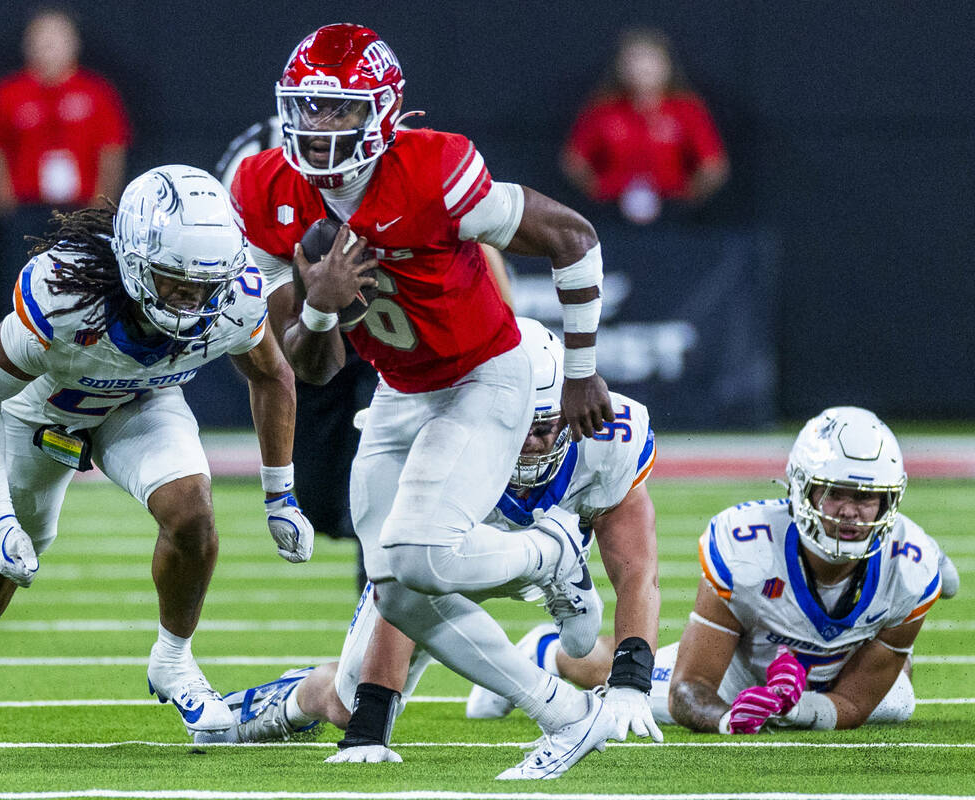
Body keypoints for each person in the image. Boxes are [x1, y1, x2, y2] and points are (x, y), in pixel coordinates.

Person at [232, 24, 619, 780]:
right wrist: (319, 306)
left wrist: (581, 371)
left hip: (483, 376)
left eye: (339, 112)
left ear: (381, 112)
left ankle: (552, 552)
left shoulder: (433, 167)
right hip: (400, 389)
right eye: (307, 108)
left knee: (417, 552)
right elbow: (309, 369)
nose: (318, 128)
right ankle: (566, 714)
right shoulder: (263, 187)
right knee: (396, 588)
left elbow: (573, 236)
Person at [0, 165, 314, 756]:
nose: (193, 299)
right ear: (136, 261)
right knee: (17, 547)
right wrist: (0, 514)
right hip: (46, 407)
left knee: (193, 514)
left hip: (141, 398)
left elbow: (273, 375)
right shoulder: (66, 294)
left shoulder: (235, 296)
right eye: (175, 281)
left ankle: (174, 660)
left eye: (205, 285)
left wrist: (280, 495)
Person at [218, 319, 664, 762]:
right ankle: (281, 703)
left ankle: (553, 568)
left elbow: (637, 570)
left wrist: (630, 682)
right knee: (345, 701)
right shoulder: (444, 434)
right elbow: (401, 583)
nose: (528, 444)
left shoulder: (609, 436)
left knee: (583, 644)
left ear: (571, 413)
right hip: (456, 555)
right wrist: (369, 724)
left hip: (523, 548)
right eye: (516, 427)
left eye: (543, 428)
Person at [216, 116, 514, 590]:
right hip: (307, 328)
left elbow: (476, 248)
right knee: (320, 497)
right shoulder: (256, 172)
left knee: (383, 488)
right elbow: (252, 295)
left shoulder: (400, 164)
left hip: (392, 331)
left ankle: (384, 601)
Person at [651, 407, 958, 733]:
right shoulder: (749, 547)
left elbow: (853, 704)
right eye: (834, 493)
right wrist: (730, 719)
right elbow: (689, 688)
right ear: (801, 488)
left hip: (835, 677)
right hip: (737, 675)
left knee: (897, 699)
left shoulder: (909, 568)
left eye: (866, 497)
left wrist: (793, 710)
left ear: (888, 501)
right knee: (621, 678)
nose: (850, 513)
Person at [0, 8, 130, 304]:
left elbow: (111, 152)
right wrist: (4, 204)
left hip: (79, 211)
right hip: (27, 212)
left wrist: (98, 210)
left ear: (73, 43)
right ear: (28, 44)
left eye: (56, 39)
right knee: (22, 290)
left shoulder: (96, 92)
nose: (48, 47)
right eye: (41, 39)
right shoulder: (8, 93)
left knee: (83, 292)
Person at [562, 28, 728, 226]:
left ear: (666, 66)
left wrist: (690, 198)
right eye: (635, 61)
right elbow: (574, 161)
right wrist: (598, 191)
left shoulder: (688, 110)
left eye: (650, 61)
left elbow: (713, 165)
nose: (642, 69)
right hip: (612, 212)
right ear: (621, 67)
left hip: (673, 212)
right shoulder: (603, 110)